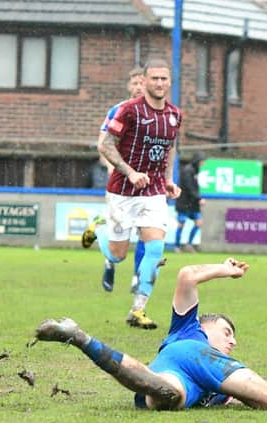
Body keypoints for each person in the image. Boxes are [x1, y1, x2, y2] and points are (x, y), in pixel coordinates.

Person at [33, 258, 267, 415]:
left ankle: (79, 337)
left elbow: (261, 398)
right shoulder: (188, 327)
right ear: (207, 325)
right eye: (227, 332)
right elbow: (185, 276)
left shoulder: (222, 385)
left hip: (177, 380)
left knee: (161, 397)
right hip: (188, 361)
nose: (231, 342)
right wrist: (224, 269)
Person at [81, 58, 182, 330]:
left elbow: (170, 146)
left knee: (156, 247)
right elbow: (105, 145)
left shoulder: (174, 114)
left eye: (164, 79)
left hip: (154, 191)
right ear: (144, 81)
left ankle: (138, 309)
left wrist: (169, 179)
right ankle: (99, 229)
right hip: (122, 191)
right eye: (154, 79)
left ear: (169, 81)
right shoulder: (127, 110)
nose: (159, 83)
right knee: (117, 256)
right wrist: (130, 172)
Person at [82, 67, 144, 294]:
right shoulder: (118, 110)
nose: (138, 86)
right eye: (134, 82)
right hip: (121, 181)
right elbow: (103, 145)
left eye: (141, 82)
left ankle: (138, 277)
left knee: (144, 231)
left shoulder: (155, 113)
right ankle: (107, 254)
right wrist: (114, 169)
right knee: (120, 236)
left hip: (145, 183)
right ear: (129, 86)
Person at [174, 151, 206, 253]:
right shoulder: (187, 171)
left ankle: (189, 244)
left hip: (192, 203)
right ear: (197, 161)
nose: (203, 163)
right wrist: (199, 198)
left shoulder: (194, 171)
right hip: (184, 202)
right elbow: (189, 188)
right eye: (202, 161)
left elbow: (193, 188)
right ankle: (177, 246)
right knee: (181, 223)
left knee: (198, 223)